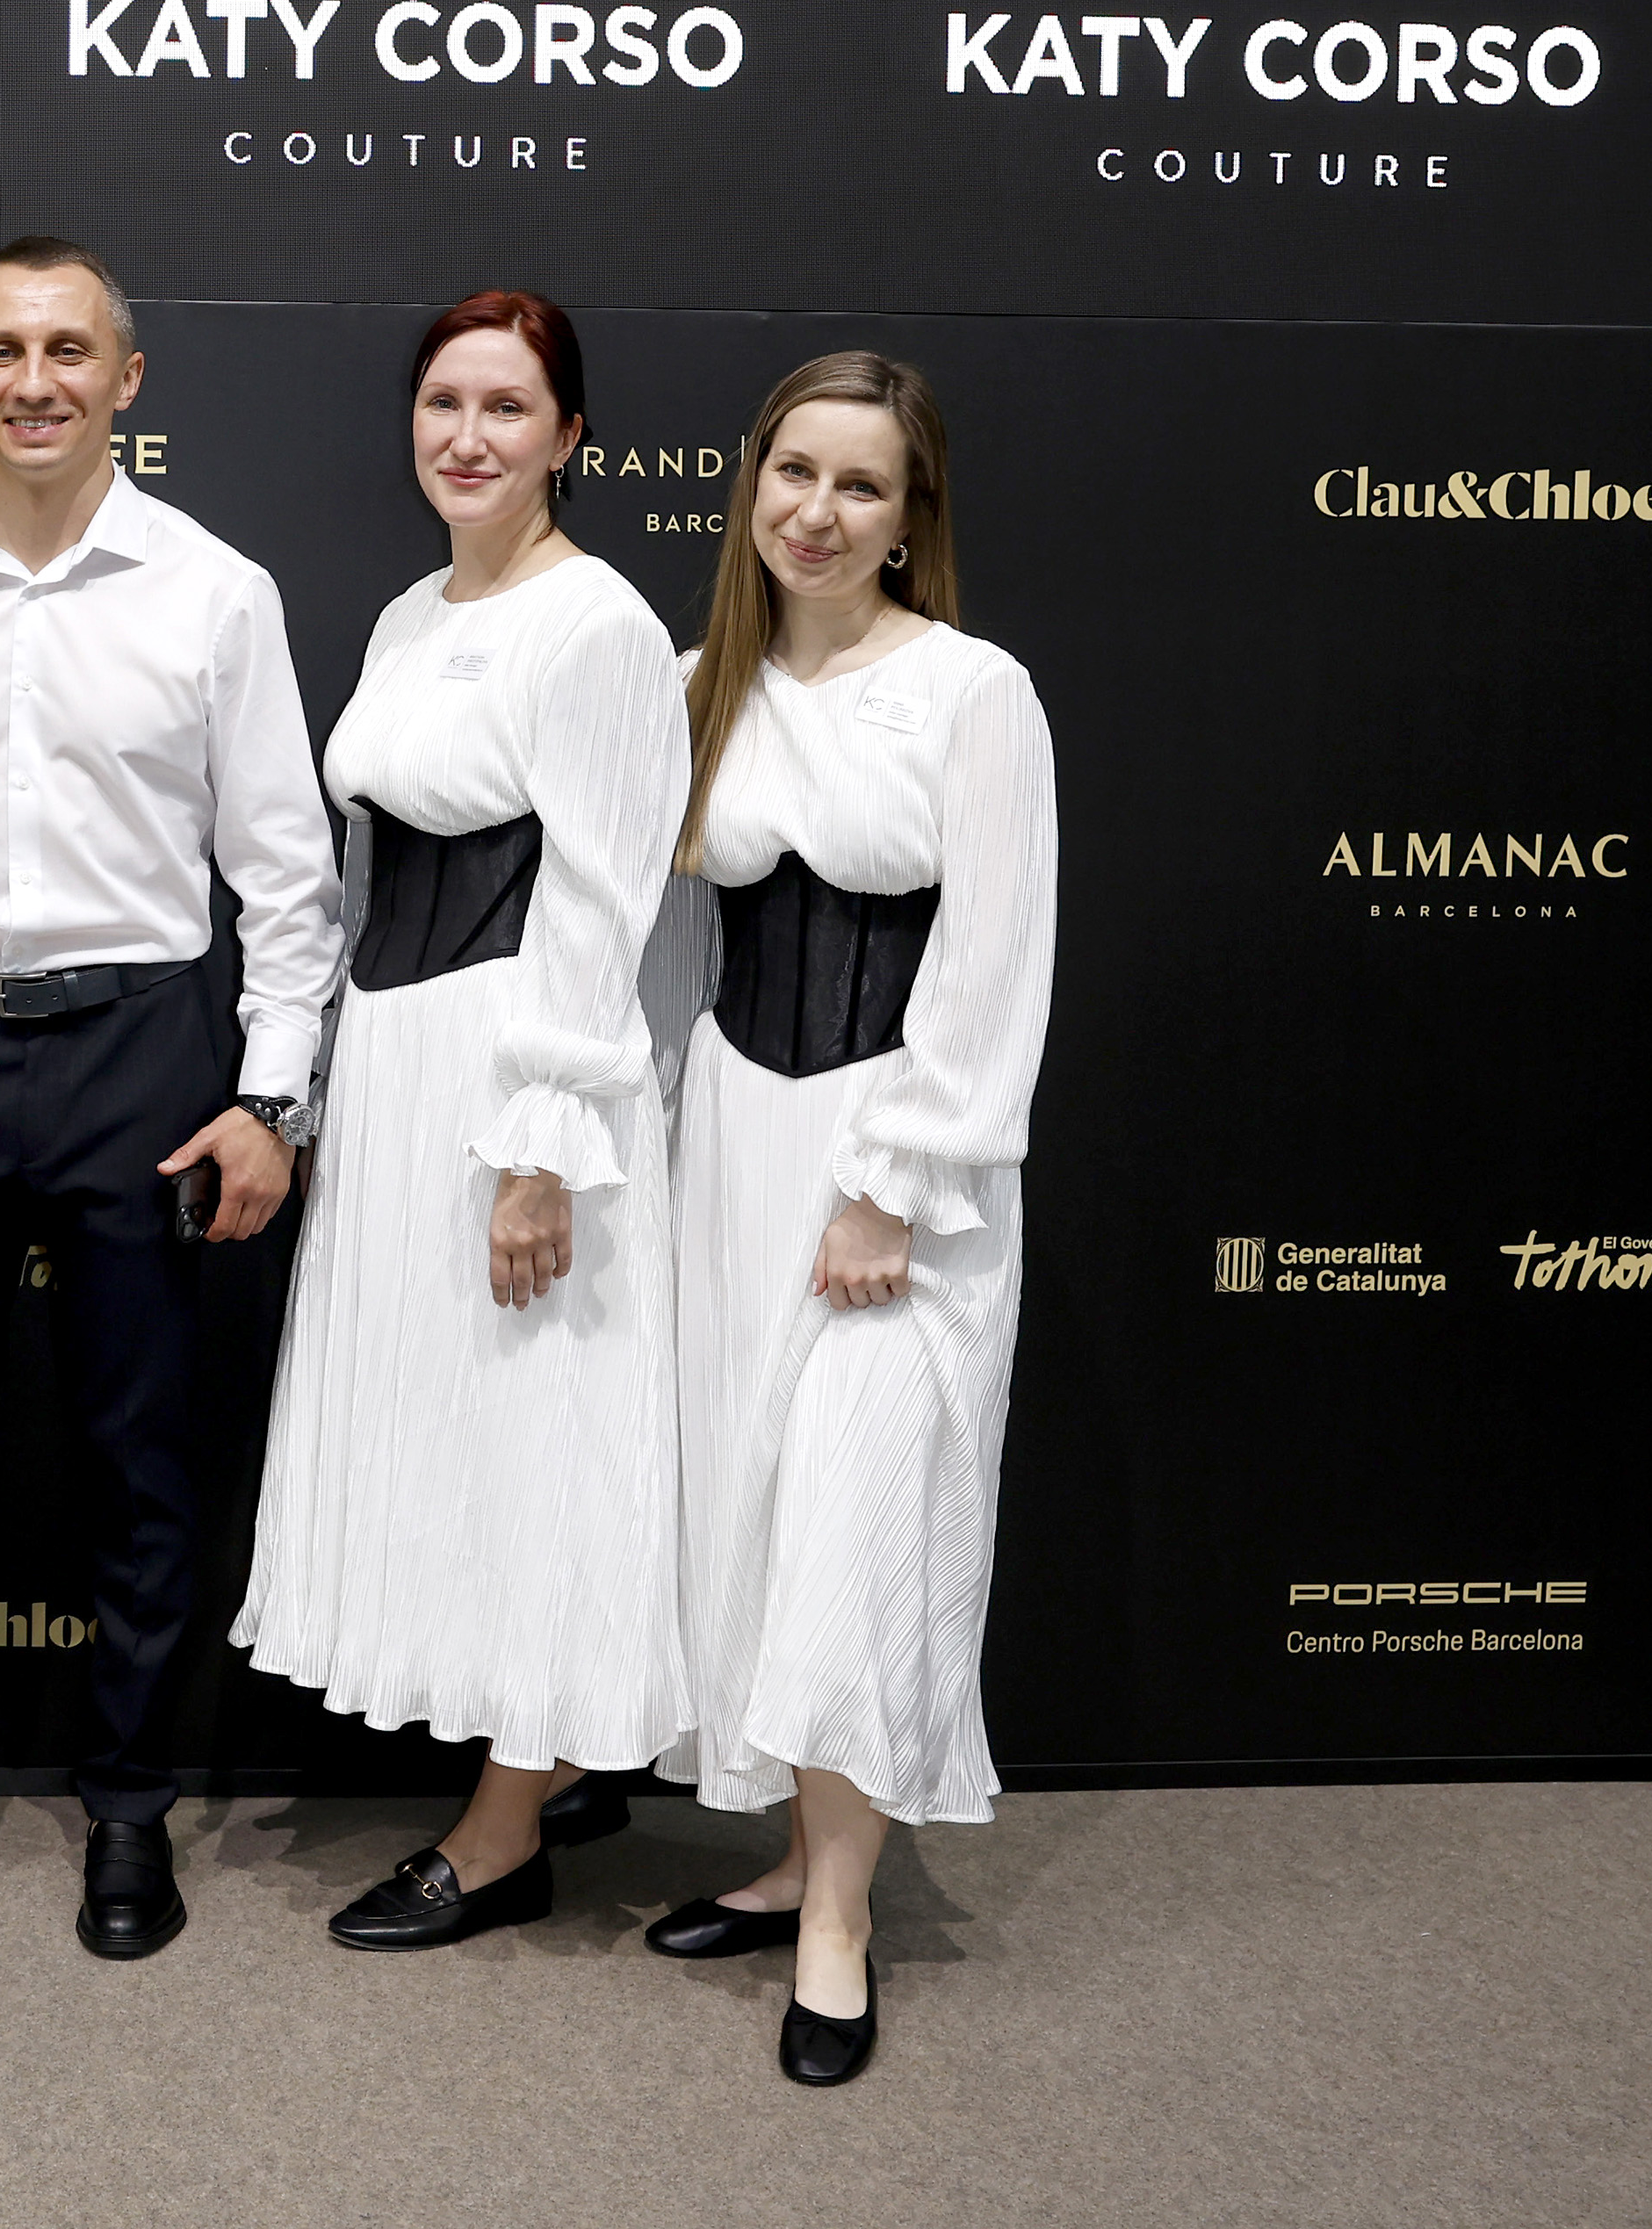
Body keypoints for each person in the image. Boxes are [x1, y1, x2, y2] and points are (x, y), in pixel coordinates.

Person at [0, 234, 347, 1960]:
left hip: (143, 1058)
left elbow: (286, 874)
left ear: (127, 379)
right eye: (2, 352)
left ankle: (129, 1805)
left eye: (67, 349)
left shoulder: (217, 594)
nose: (34, 381)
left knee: (138, 1454)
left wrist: (273, 1096)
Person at [236, 292, 689, 1951]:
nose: (469, 436)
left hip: (513, 1076)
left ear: (570, 436)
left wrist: (540, 1147)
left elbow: (601, 902)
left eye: (508, 407)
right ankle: (538, 1759)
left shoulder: (601, 625)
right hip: (400, 1060)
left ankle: (504, 1833)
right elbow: (369, 875)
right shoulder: (408, 614)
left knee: (528, 1439)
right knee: (451, 1428)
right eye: (444, 402)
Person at [651, 350, 1057, 2088]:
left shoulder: (975, 693)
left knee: (859, 1531)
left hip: (897, 1166)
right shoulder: (700, 687)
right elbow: (655, 943)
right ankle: (794, 1861)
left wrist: (894, 1188)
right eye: (793, 471)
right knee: (753, 1519)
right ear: (753, 482)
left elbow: (995, 961)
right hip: (731, 1141)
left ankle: (838, 1919)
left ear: (911, 516)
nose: (816, 511)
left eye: (860, 484)